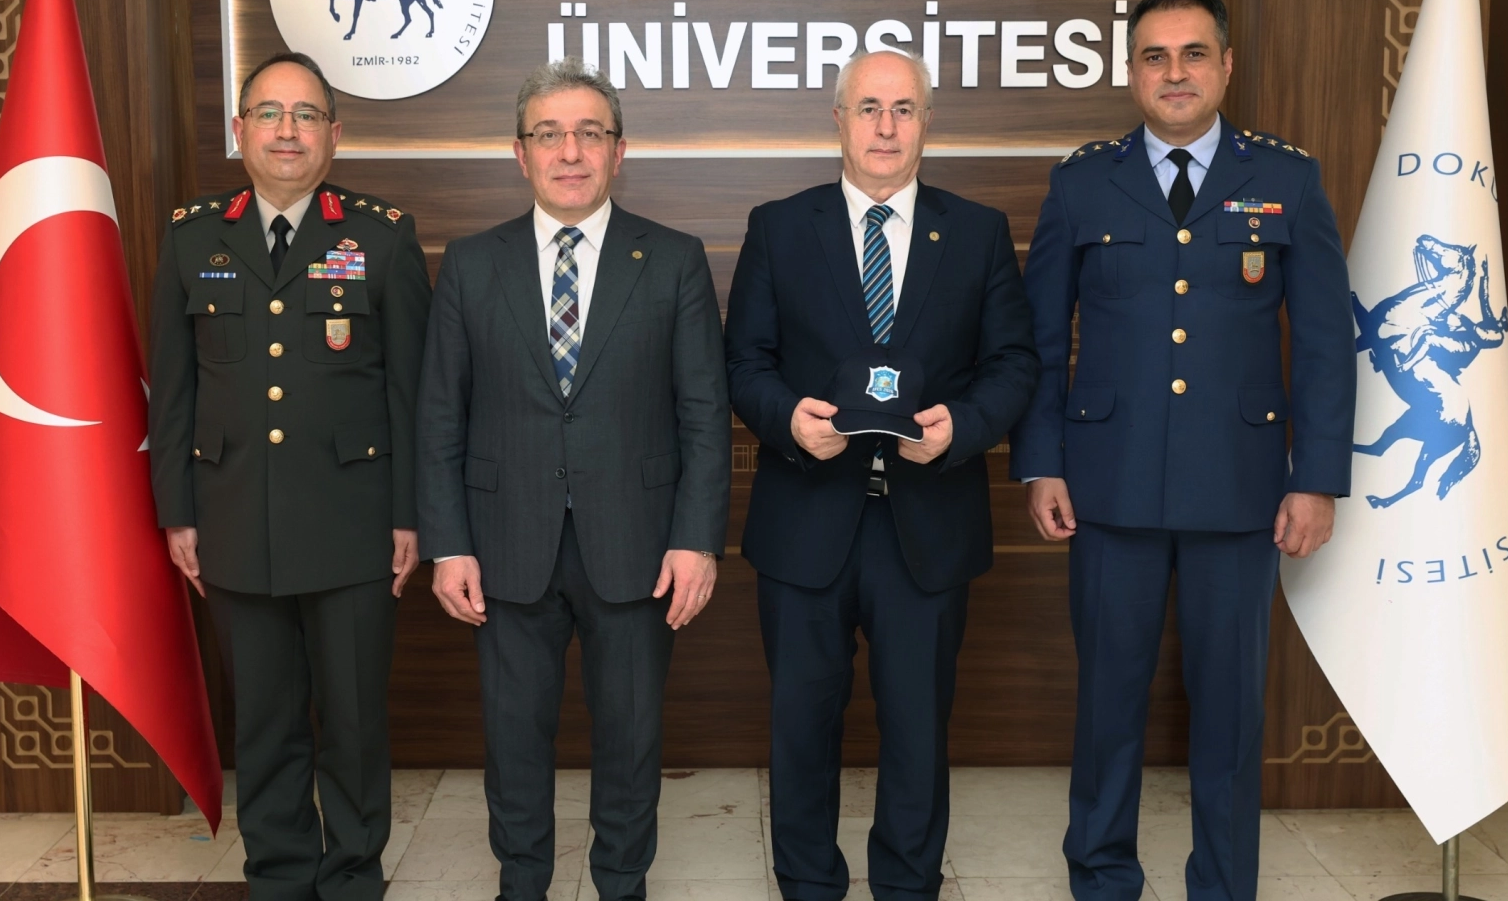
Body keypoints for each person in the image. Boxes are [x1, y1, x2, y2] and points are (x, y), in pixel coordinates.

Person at [1009, 0, 1356, 901]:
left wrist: (1316, 478)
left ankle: (1223, 886)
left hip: (1240, 489)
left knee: (1231, 714)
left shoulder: (1286, 179)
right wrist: (1041, 462)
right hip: (1107, 485)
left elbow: (1326, 342)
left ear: (1225, 66)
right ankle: (1100, 878)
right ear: (1131, 72)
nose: (1174, 72)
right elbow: (1039, 340)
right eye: (1154, 56)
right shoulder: (1082, 181)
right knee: (1107, 705)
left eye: (1192, 53)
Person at [724, 50, 1039, 901]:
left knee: (916, 731)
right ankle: (806, 884)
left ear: (927, 122)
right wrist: (787, 421)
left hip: (926, 527)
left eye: (903, 109)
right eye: (868, 107)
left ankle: (906, 886)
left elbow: (1013, 364)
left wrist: (962, 428)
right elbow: (743, 361)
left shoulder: (975, 231)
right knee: (800, 727)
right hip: (805, 521)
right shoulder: (778, 227)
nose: (886, 127)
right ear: (838, 120)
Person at [416, 58, 732, 901]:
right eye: (549, 134)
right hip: (502, 545)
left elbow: (705, 415)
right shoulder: (471, 264)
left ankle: (621, 883)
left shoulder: (672, 259)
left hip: (638, 544)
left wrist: (697, 540)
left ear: (618, 151)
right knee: (513, 737)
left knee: (630, 738)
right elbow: (439, 417)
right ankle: (522, 883)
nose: (569, 152)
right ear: (519, 152)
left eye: (589, 133)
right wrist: (447, 545)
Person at [149, 52, 430, 901]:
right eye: (269, 113)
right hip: (233, 519)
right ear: (239, 131)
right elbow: (173, 390)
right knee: (266, 724)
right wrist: (176, 512)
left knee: (352, 723)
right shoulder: (193, 235)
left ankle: (351, 878)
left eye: (306, 115)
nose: (286, 130)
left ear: (334, 135)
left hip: (354, 523)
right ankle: (277, 878)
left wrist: (411, 515)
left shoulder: (380, 235)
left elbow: (412, 393)